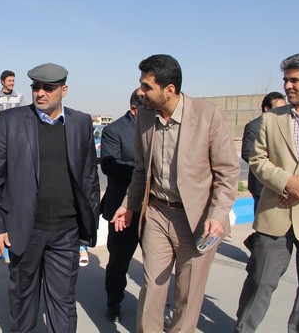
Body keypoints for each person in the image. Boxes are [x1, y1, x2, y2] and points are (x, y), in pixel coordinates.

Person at [112, 54, 239, 333]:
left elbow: (228, 172)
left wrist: (217, 215)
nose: (140, 92)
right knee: (152, 287)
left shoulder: (208, 115)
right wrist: (129, 205)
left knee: (187, 293)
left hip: (197, 220)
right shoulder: (145, 116)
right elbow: (141, 169)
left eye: (147, 86)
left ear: (169, 89)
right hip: (156, 213)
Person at [0, 63, 100, 332]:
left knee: (63, 301)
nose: (40, 93)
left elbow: (89, 177)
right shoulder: (11, 121)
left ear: (64, 90)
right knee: (23, 299)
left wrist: (88, 221)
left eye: (48, 88)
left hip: (66, 231)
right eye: (36, 87)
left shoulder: (81, 122)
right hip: (25, 230)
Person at [234, 53, 299, 333]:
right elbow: (257, 159)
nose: (287, 86)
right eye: (285, 80)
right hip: (275, 212)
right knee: (258, 283)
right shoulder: (271, 120)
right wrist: (287, 182)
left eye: (294, 80)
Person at [100, 89, 144, 323]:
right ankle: (114, 302)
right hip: (122, 207)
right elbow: (109, 165)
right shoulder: (113, 130)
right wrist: (143, 172)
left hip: (152, 209)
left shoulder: (158, 127)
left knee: (158, 264)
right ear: (134, 109)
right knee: (118, 261)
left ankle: (157, 308)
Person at [241, 91, 285, 251]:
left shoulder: (285, 125)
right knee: (263, 222)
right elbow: (247, 153)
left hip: (281, 183)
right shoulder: (254, 126)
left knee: (276, 222)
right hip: (261, 184)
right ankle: (257, 249)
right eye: (278, 107)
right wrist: (269, 167)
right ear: (267, 108)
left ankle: (256, 244)